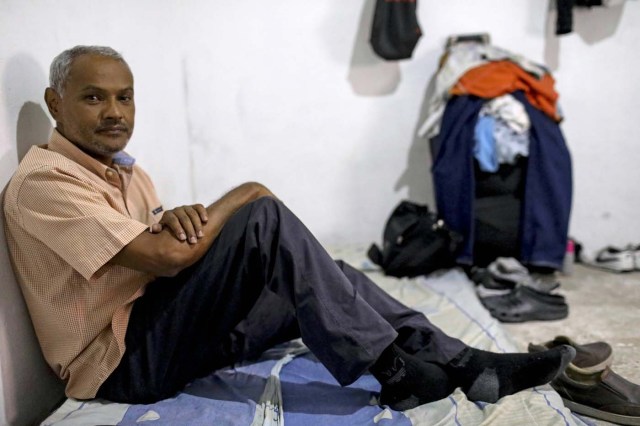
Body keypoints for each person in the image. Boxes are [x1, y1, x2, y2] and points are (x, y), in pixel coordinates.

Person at [3, 45, 575, 409]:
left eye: (124, 98)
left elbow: (159, 247)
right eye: (94, 98)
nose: (115, 113)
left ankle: (462, 363)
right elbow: (168, 261)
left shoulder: (125, 171)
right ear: (56, 103)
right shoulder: (43, 182)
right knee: (261, 216)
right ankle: (394, 372)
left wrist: (175, 219)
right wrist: (245, 193)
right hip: (121, 365)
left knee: (328, 274)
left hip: (160, 327)